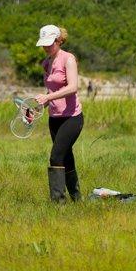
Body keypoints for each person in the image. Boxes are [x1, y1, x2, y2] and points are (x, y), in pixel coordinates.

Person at [33, 25, 82, 203]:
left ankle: (58, 204)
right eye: (43, 44)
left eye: (49, 43)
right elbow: (51, 91)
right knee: (66, 158)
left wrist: (48, 96)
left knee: (56, 156)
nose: (46, 47)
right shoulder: (47, 63)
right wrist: (39, 107)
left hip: (72, 117)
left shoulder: (68, 59)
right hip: (54, 118)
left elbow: (72, 87)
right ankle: (77, 200)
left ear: (58, 41)